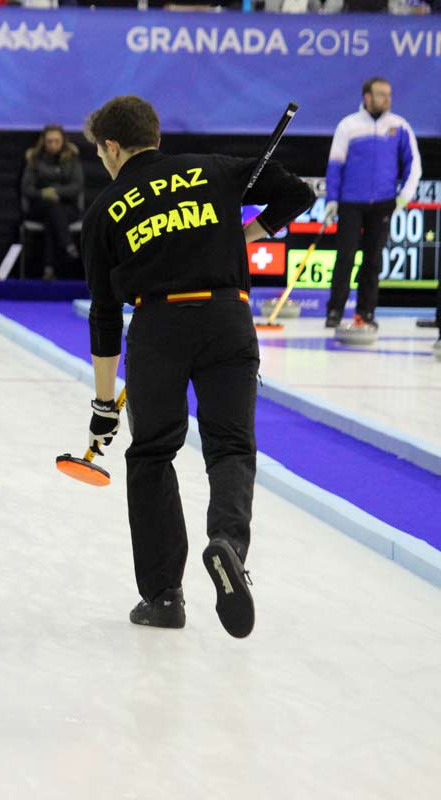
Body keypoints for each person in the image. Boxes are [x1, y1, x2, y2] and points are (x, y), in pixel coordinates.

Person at [79, 96, 313, 639]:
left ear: (112, 147)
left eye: (100, 153)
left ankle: (163, 597)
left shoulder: (106, 208)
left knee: (153, 453)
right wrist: (247, 234)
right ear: (155, 135)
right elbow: (297, 192)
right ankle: (228, 543)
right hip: (228, 319)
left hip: (158, 328)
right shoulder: (215, 170)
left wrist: (101, 404)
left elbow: (104, 314)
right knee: (231, 446)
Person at [323, 77, 421, 330]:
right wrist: (332, 200)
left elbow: (414, 165)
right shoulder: (349, 125)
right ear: (367, 97)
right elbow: (335, 165)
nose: (387, 99)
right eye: (381, 94)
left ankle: (365, 312)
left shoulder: (399, 126)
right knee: (344, 258)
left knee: (373, 260)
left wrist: (404, 197)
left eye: (389, 94)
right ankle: (335, 310)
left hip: (383, 204)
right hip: (350, 203)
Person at [21, 124, 85, 279]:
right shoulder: (34, 159)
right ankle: (68, 245)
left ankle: (49, 269)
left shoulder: (72, 158)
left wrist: (56, 192)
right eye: (49, 141)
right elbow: (26, 188)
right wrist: (43, 193)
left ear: (63, 141)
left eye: (56, 141)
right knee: (52, 207)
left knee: (53, 216)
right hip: (39, 206)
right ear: (43, 141)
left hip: (67, 207)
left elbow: (77, 186)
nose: (53, 144)